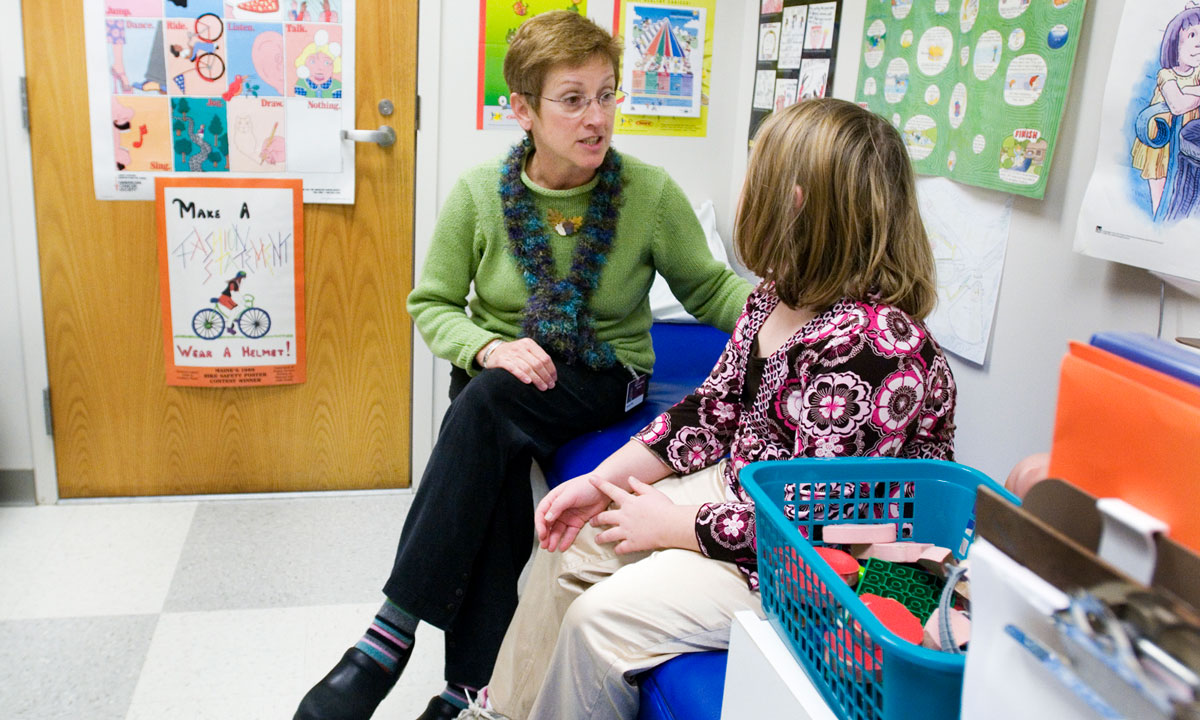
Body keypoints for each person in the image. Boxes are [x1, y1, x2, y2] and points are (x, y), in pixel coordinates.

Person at [293, 11, 750, 720]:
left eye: (607, 94)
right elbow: (433, 303)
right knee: (497, 450)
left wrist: (796, 313)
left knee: (484, 407)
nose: (597, 117)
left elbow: (714, 289)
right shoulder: (481, 193)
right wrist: (486, 345)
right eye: (573, 99)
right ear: (525, 110)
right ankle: (468, 688)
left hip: (601, 375)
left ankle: (386, 637)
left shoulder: (650, 195)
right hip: (500, 372)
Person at [483, 97, 958, 720]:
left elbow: (815, 526)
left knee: (600, 622)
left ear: (794, 200)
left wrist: (677, 528)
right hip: (751, 494)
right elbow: (712, 411)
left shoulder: (874, 349)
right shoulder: (777, 296)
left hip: (811, 566)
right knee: (571, 548)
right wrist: (601, 484)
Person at [1131, 3, 1200, 215]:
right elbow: (1177, 105)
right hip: (1161, 144)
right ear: (1173, 44)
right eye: (1192, 35)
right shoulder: (1166, 74)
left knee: (1185, 197)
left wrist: (1190, 91)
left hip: (1185, 146)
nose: (1198, 43)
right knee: (1162, 202)